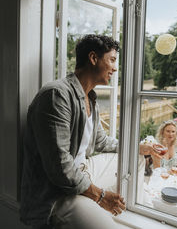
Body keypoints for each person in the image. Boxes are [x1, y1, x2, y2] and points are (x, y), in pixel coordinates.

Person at [20, 34, 164, 229]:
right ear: (93, 58)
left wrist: (140, 147)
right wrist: (101, 196)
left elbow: (101, 142)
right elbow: (60, 168)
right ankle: (99, 207)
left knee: (135, 157)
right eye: (112, 60)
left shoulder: (90, 99)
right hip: (56, 194)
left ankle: (132, 207)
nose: (115, 68)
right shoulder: (56, 95)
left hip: (82, 171)